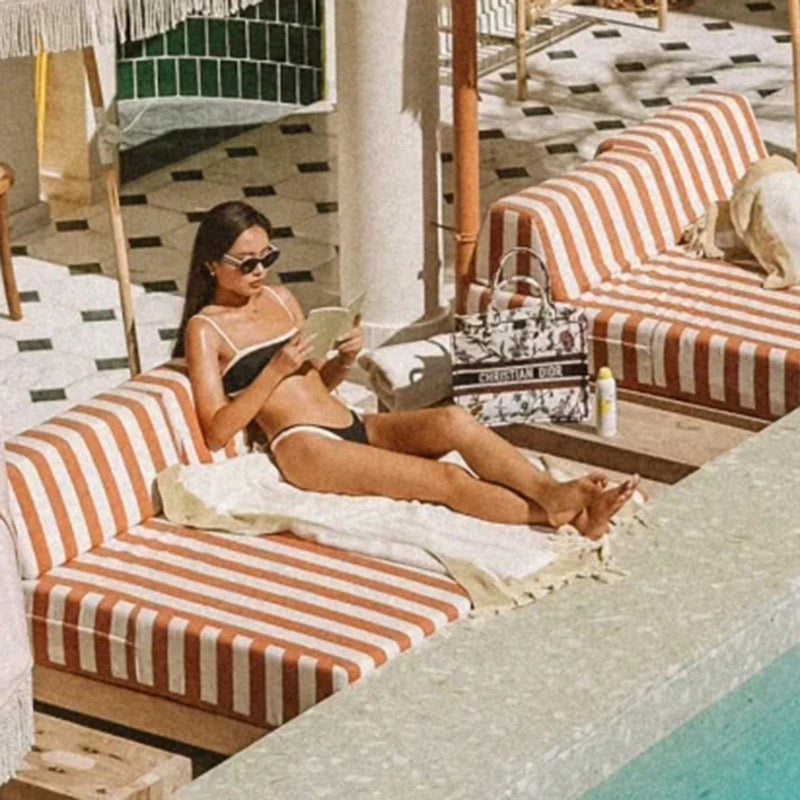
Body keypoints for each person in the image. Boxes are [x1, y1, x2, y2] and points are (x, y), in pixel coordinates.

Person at [173, 201, 639, 540]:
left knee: (454, 421)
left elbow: (316, 383)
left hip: (348, 422)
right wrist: (274, 370)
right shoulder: (206, 329)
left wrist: (343, 360)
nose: (260, 271)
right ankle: (571, 519)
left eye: (267, 258)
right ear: (213, 266)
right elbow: (217, 429)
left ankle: (551, 492)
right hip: (305, 446)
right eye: (247, 263)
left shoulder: (280, 299)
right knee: (446, 482)